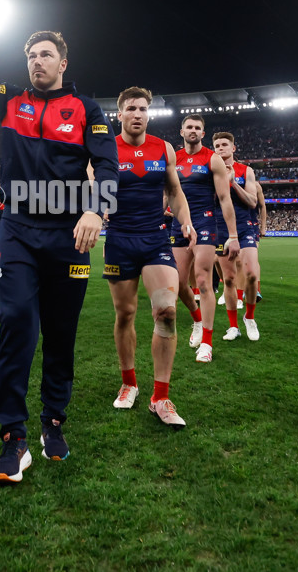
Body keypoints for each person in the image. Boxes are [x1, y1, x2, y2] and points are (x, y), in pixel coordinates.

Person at [0, 0, 118, 484]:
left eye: (46, 54)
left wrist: (96, 211)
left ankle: (54, 423)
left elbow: (108, 169)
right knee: (17, 319)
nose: (36, 62)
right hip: (17, 229)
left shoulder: (88, 110)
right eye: (30, 55)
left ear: (63, 62)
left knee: (61, 333)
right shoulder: (9, 100)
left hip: (69, 233)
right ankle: (13, 436)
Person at [103, 87, 195, 428]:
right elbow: (93, 186)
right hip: (119, 240)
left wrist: (185, 220)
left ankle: (161, 397)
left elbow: (174, 191)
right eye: (131, 108)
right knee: (125, 313)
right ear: (120, 114)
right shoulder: (106, 149)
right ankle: (129, 382)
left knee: (167, 312)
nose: (138, 113)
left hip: (156, 239)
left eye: (143, 108)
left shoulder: (164, 148)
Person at [170, 115, 240, 363]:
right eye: (189, 127)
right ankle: (197, 320)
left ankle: (207, 344)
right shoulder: (173, 158)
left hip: (205, 222)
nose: (193, 130)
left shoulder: (213, 159)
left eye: (197, 128)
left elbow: (225, 199)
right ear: (181, 131)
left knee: (203, 280)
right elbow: (163, 191)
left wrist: (233, 235)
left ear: (202, 133)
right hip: (178, 224)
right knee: (178, 284)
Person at [212, 132, 261, 342]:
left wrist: (233, 183)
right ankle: (233, 326)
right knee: (229, 279)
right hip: (219, 228)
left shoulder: (246, 170)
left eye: (224, 144)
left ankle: (249, 317)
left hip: (244, 227)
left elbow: (252, 202)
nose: (220, 148)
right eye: (216, 145)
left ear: (233, 148)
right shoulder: (210, 172)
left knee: (250, 274)